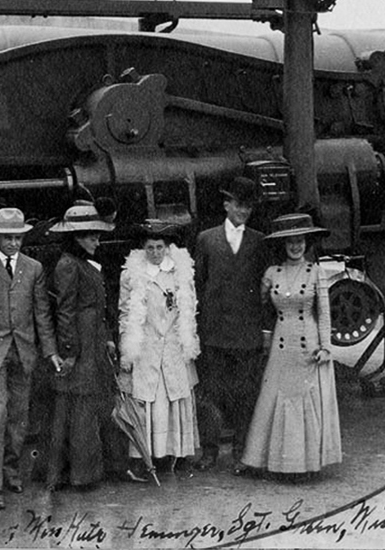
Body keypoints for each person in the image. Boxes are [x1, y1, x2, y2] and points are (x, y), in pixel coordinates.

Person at [0, 207, 63, 510]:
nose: (13, 243)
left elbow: (41, 313)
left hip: (25, 352)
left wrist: (49, 350)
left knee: (19, 417)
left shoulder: (33, 268)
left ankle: (10, 471)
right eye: (7, 238)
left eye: (18, 238)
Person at [240, 213, 342, 476]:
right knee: (275, 397)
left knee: (304, 399)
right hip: (281, 344)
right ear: (282, 246)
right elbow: (262, 308)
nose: (295, 246)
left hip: (308, 345)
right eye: (290, 242)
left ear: (307, 244)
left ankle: (305, 465)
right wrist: (264, 334)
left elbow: (324, 313)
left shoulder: (316, 272)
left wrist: (325, 346)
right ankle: (274, 463)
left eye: (300, 241)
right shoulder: (272, 273)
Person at [193, 176, 268, 473]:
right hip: (214, 334)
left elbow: (264, 290)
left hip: (247, 335)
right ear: (226, 205)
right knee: (211, 395)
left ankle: (240, 452)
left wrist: (263, 331)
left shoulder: (259, 241)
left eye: (248, 206)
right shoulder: (206, 239)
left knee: (244, 396)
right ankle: (210, 452)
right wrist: (197, 331)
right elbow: (198, 286)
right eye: (238, 204)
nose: (243, 211)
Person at [117, 220, 200, 478]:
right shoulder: (131, 275)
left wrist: (188, 340)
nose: (155, 252)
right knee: (149, 400)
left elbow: (190, 309)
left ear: (167, 247)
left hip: (173, 346)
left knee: (176, 397)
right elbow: (125, 312)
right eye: (150, 247)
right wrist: (127, 349)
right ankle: (146, 456)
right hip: (147, 346)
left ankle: (177, 454)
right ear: (143, 248)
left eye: (160, 247)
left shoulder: (180, 272)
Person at [44, 203, 116, 490]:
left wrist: (108, 337)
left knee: (87, 405)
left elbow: (100, 307)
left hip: (93, 341)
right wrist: (70, 352)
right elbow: (64, 311)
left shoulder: (85, 264)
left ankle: (85, 472)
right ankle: (79, 475)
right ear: (76, 238)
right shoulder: (67, 265)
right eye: (91, 236)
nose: (97, 241)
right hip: (79, 345)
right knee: (79, 407)